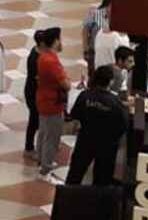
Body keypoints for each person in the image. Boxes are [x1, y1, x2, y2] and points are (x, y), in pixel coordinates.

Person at [66, 65, 128, 187]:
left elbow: (74, 115)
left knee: (75, 174)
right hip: (107, 146)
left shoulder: (85, 96)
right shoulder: (115, 102)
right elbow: (122, 126)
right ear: (111, 82)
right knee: (102, 180)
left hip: (85, 141)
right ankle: (97, 203)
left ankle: (67, 201)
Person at [35, 27, 71, 181]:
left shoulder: (43, 57)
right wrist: (67, 80)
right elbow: (66, 85)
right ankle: (45, 170)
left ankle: (42, 160)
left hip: (43, 100)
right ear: (55, 41)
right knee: (52, 137)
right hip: (52, 104)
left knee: (43, 132)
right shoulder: (51, 61)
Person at [24, 29, 44, 159]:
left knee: (39, 120)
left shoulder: (40, 52)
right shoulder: (34, 58)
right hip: (33, 93)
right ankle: (29, 148)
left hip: (37, 92)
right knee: (34, 119)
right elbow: (38, 78)